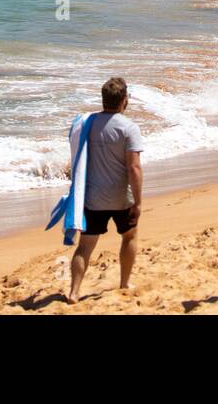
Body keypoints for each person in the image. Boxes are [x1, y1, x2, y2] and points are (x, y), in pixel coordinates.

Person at [67, 77, 144, 304]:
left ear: (104, 100)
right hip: (121, 197)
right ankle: (125, 282)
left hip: (93, 197)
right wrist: (138, 201)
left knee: (85, 246)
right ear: (125, 100)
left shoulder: (87, 124)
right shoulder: (129, 128)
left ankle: (74, 291)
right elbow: (134, 167)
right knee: (129, 236)